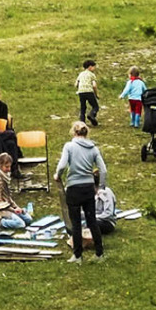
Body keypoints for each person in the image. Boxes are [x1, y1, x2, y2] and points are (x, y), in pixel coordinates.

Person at [54, 120, 109, 262]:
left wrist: (57, 175)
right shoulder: (93, 148)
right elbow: (103, 169)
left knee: (76, 223)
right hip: (88, 187)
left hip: (74, 188)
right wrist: (101, 187)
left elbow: (62, 165)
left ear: (74, 132)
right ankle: (99, 253)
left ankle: (77, 255)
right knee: (92, 221)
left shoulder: (69, 146)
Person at [0, 153, 31, 231]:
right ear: (0, 165)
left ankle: (9, 218)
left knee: (28, 219)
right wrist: (13, 210)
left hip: (6, 206)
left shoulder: (3, 175)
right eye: (6, 167)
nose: (9, 169)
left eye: (9, 166)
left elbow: (7, 197)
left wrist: (16, 207)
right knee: (20, 224)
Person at [76, 59, 100, 126]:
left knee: (83, 107)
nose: (94, 68)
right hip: (89, 91)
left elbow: (76, 84)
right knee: (95, 106)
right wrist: (96, 94)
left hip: (81, 92)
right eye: (94, 67)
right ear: (90, 67)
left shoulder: (81, 74)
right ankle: (91, 115)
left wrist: (79, 88)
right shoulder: (92, 75)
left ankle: (82, 122)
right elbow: (94, 85)